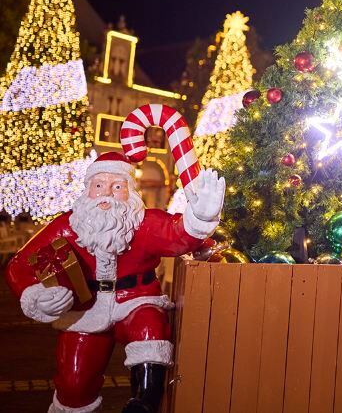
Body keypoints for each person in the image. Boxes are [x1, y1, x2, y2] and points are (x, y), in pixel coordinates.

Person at [5, 151, 225, 413]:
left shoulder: (142, 223)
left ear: (130, 191)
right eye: (99, 186)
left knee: (150, 331)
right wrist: (37, 295)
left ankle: (144, 402)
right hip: (85, 311)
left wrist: (199, 218)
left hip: (136, 301)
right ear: (88, 189)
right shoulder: (68, 226)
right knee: (74, 383)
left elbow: (176, 234)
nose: (107, 193)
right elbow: (20, 265)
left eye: (117, 186)